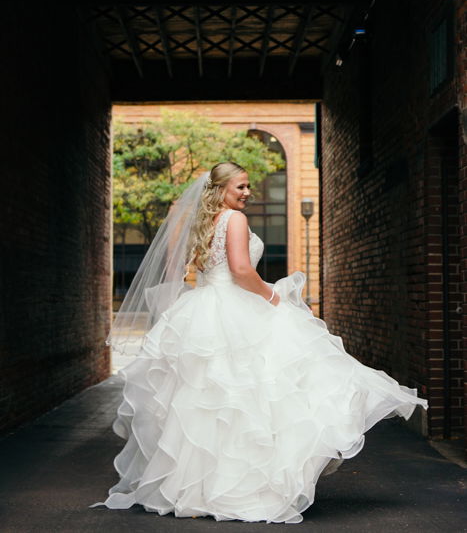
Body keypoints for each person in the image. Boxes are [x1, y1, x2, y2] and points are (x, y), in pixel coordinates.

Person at [93, 162, 429, 524]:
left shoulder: (200, 221)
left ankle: (192, 490)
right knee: (249, 399)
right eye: (240, 186)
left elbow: (188, 270)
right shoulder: (234, 220)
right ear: (220, 188)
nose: (247, 192)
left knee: (203, 404)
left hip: (201, 308)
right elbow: (240, 270)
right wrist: (272, 298)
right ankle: (241, 489)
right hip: (232, 308)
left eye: (247, 186)